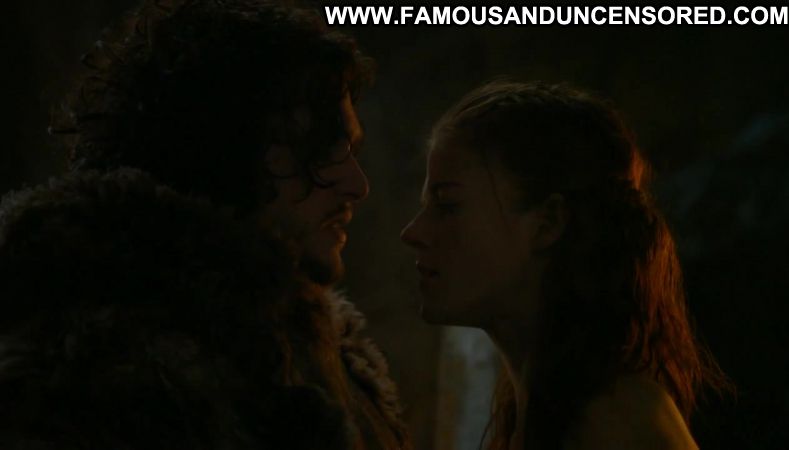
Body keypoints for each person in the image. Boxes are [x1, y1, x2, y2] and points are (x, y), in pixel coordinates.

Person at [0, 1, 409, 449]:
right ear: (223, 146)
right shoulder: (92, 378)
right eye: (319, 148)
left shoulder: (325, 354)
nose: (357, 185)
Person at [401, 81, 729, 450]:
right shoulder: (552, 409)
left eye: (447, 205)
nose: (413, 233)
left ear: (548, 223)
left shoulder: (613, 423)